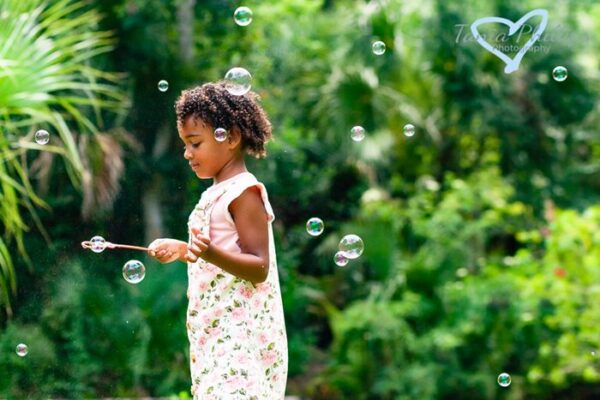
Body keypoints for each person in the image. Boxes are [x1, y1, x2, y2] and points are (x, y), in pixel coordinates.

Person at [147, 82, 288, 399]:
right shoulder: (214, 194)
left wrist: (208, 253)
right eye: (185, 144)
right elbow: (216, 252)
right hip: (213, 333)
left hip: (237, 337)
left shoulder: (244, 192)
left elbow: (259, 266)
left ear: (231, 138)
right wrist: (185, 250)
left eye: (195, 143)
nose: (187, 153)